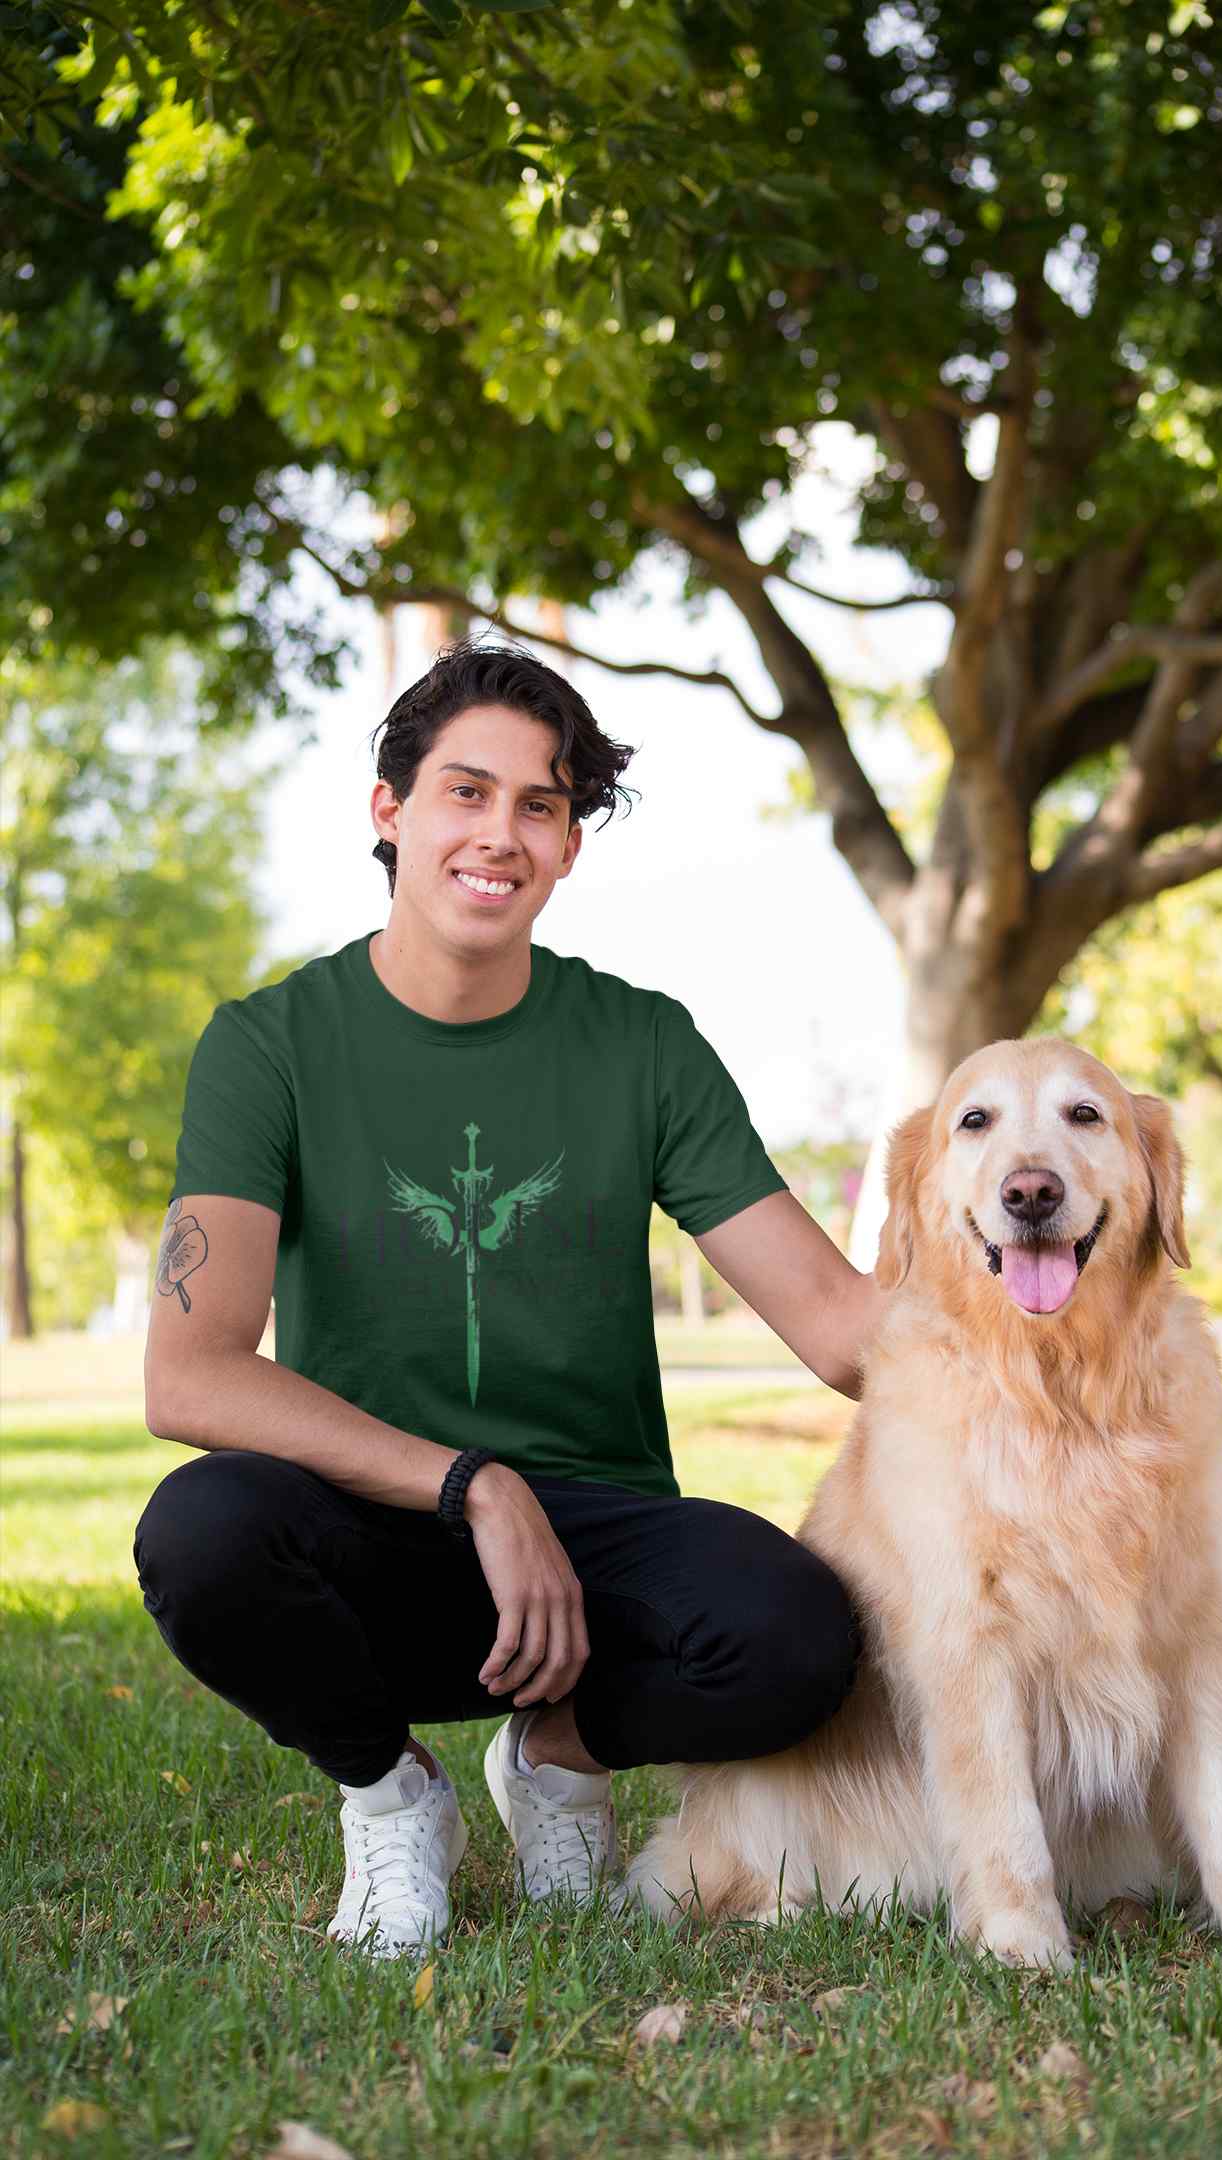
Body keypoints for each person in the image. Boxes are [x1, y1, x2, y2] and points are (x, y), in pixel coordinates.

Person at [135, 638, 884, 1961]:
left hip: (592, 1555)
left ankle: (558, 1752)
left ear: (571, 844)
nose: (501, 833)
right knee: (201, 1534)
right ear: (392, 811)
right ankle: (392, 1790)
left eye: (541, 805)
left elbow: (838, 1325)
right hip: (371, 1522)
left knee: (802, 1636)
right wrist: (475, 1483)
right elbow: (189, 1375)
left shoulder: (643, 1043)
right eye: (465, 793)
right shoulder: (269, 1047)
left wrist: (1054, 1293)